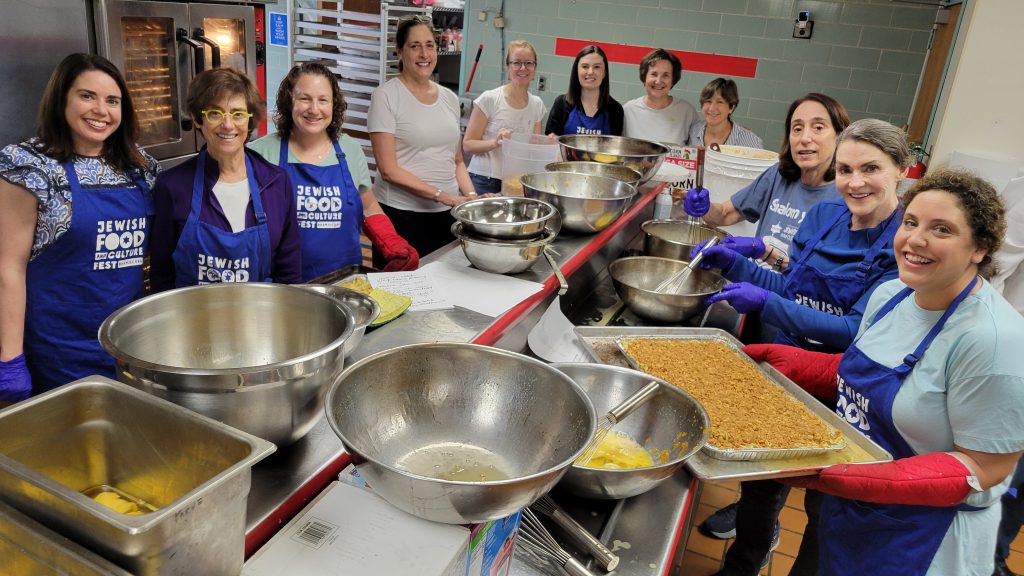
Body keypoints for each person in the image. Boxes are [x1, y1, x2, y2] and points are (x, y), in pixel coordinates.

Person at [744, 168, 1024, 576]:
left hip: (923, 538)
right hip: (853, 513)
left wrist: (855, 478)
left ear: (979, 248)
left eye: (941, 229)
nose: (915, 239)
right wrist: (797, 365)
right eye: (910, 222)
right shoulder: (892, 295)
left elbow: (985, 468)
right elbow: (874, 373)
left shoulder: (993, 341)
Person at [696, 118, 910, 576]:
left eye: (870, 168)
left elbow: (856, 329)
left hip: (844, 386)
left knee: (824, 506)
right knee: (762, 483)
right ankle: (742, 567)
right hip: (789, 372)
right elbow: (791, 288)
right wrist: (737, 264)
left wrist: (769, 304)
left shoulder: (905, 245)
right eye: (845, 169)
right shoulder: (823, 217)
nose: (854, 183)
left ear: (901, 170)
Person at [0, 53, 158, 399]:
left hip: (127, 347)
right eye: (87, 96)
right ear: (62, 99)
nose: (101, 110)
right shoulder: (30, 168)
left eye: (112, 101)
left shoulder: (138, 166)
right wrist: (10, 361)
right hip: (58, 352)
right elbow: (7, 268)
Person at [250, 62, 418, 281]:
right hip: (286, 288)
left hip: (346, 282)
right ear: (288, 101)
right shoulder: (261, 153)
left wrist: (391, 242)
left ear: (334, 104)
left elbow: (368, 205)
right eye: (304, 99)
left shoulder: (349, 148)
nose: (314, 109)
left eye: (323, 100)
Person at [150, 68, 301, 291]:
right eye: (215, 113)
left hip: (261, 320)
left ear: (250, 122)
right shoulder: (172, 187)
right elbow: (162, 277)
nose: (228, 125)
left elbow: (289, 275)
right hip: (192, 321)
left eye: (238, 114)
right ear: (197, 118)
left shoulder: (276, 182)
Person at [684, 93, 850, 270]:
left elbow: (821, 278)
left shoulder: (846, 197)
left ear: (840, 136)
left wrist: (764, 253)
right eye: (797, 129)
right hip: (756, 285)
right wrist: (705, 207)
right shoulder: (778, 176)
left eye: (818, 127)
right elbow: (725, 214)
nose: (804, 138)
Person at [368, 15, 478, 262]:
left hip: (447, 215)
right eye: (414, 46)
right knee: (398, 293)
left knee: (440, 289)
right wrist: (442, 195)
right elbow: (388, 170)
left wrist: (470, 199)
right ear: (399, 51)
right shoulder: (386, 97)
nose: (424, 53)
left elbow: (458, 160)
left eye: (429, 45)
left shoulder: (449, 98)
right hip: (401, 216)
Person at [462, 40, 547, 194]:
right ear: (508, 67)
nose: (523, 68)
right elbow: (468, 145)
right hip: (485, 179)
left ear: (534, 69)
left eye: (529, 63)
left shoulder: (537, 105)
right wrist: (495, 142)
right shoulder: (490, 99)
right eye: (516, 63)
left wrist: (547, 145)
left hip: (516, 181)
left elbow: (532, 147)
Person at [544, 45, 624, 137]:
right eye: (585, 66)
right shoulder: (561, 104)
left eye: (597, 67)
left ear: (604, 72)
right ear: (577, 71)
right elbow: (551, 140)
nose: (590, 72)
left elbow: (614, 147)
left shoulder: (615, 110)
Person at [621, 48, 696, 145]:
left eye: (666, 75)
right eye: (654, 74)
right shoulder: (628, 110)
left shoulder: (686, 111)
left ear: (673, 80)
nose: (658, 81)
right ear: (644, 77)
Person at [687, 77, 763, 149]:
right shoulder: (693, 131)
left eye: (720, 102)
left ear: (731, 108)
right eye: (708, 101)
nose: (712, 108)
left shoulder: (750, 142)